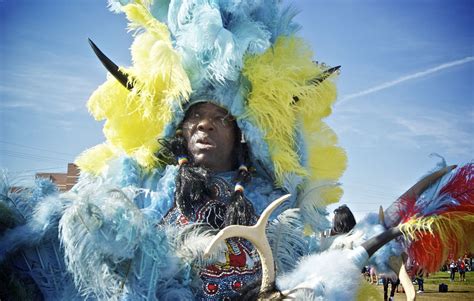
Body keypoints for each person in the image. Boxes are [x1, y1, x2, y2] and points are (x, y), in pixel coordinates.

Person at [1, 1, 472, 300]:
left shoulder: (274, 202)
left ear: (242, 131)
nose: (204, 126)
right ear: (179, 132)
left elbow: (306, 262)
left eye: (218, 118)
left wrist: (354, 248)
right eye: (193, 119)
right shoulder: (144, 194)